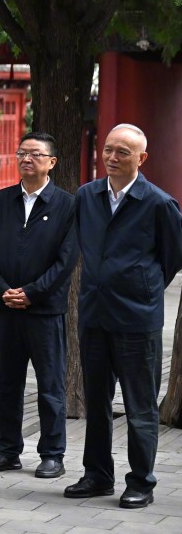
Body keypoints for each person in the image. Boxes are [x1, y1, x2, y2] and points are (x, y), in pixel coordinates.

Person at [65, 123, 182, 509]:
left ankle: (141, 482)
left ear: (141, 159)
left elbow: (171, 257)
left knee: (139, 404)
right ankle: (97, 475)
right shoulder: (87, 196)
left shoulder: (159, 203)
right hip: (94, 314)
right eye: (109, 150)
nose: (113, 158)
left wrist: (140, 286)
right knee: (96, 400)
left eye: (123, 153)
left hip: (136, 319)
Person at [0, 132, 79, 479]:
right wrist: (4, 288)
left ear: (51, 162)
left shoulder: (67, 204)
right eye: (22, 153)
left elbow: (66, 260)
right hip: (5, 309)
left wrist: (33, 292)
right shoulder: (1, 200)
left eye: (36, 154)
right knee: (7, 383)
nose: (27, 159)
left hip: (44, 311)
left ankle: (53, 453)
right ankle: (7, 450)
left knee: (50, 385)